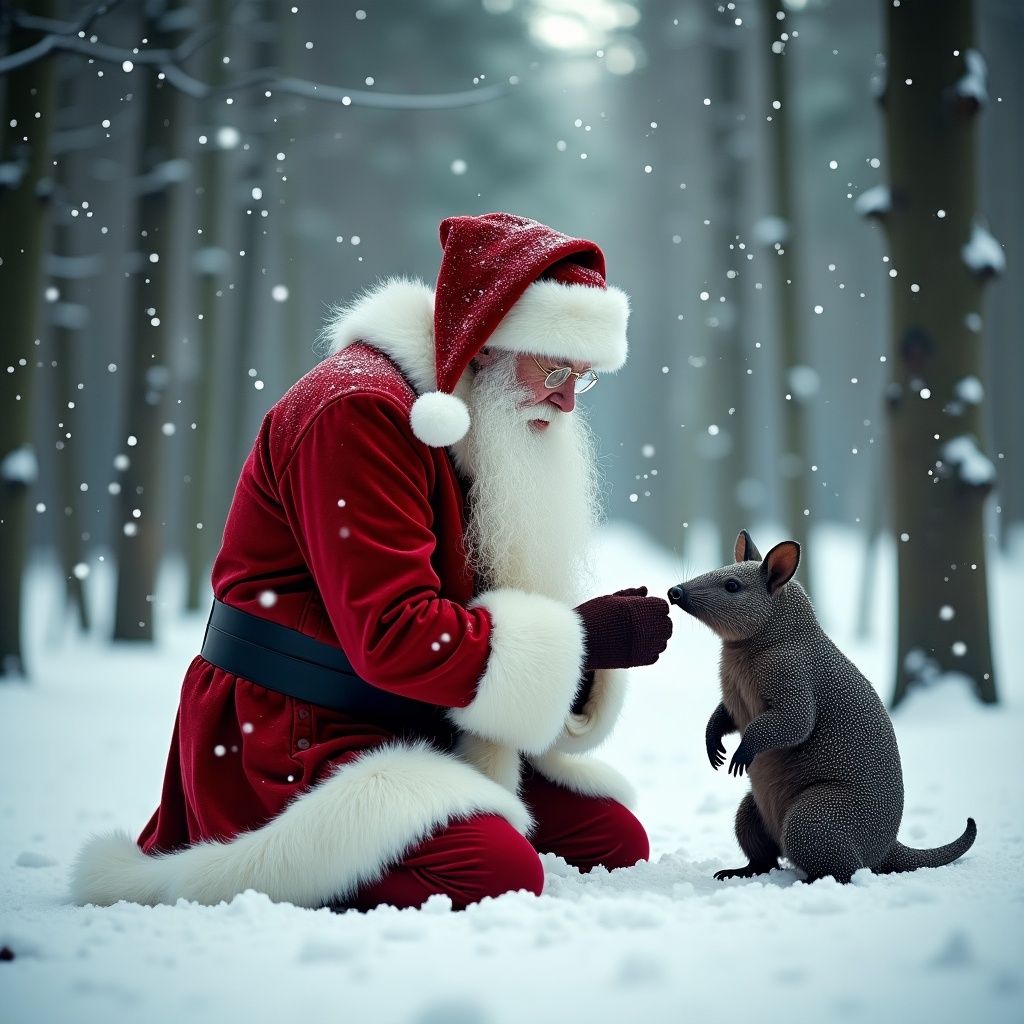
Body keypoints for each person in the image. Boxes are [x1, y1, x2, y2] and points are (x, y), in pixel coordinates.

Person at [71, 212, 673, 912]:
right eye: (555, 367)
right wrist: (582, 639)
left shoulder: (473, 413)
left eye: (584, 377)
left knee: (612, 841)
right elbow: (394, 633)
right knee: (496, 871)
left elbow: (462, 615)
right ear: (483, 345)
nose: (567, 399)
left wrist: (572, 656)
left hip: (418, 719)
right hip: (291, 728)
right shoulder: (358, 411)